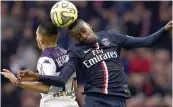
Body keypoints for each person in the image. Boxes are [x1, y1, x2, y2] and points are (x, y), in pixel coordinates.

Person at [15, 19, 172, 107]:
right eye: (78, 36)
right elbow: (61, 79)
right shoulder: (75, 52)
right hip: (96, 100)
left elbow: (147, 42)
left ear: (89, 26)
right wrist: (36, 76)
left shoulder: (112, 37)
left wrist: (164, 29)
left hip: (119, 99)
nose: (83, 36)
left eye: (84, 31)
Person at [1, 21, 79, 107]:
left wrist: (18, 83)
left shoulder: (45, 59)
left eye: (37, 35)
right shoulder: (67, 54)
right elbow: (74, 85)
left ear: (40, 39)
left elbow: (46, 88)